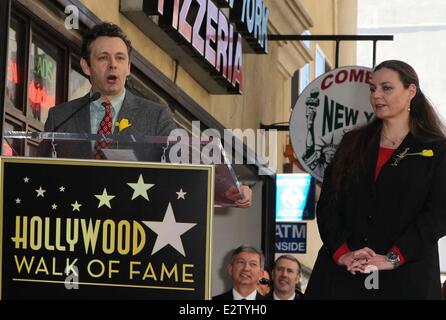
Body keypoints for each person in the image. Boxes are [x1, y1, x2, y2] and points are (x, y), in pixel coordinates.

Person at [41, 22, 252, 206]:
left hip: (133, 227)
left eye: (120, 58)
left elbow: (183, 161)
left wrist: (229, 188)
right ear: (86, 66)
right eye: (103, 58)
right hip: (73, 226)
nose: (113, 64)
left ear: (128, 68)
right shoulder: (60, 117)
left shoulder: (155, 115)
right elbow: (39, 172)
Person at [305, 60, 446, 299]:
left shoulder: (437, 150)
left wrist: (394, 257)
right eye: (373, 89)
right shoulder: (352, 144)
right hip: (343, 277)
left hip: (406, 279)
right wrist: (342, 253)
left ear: (411, 91)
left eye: (386, 88)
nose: (376, 96)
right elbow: (329, 203)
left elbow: (439, 214)